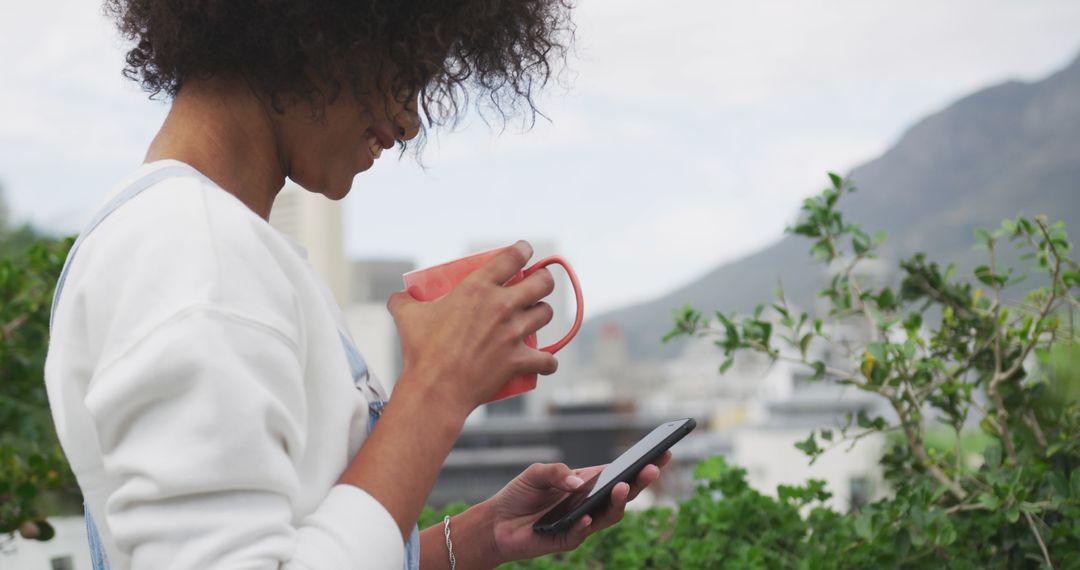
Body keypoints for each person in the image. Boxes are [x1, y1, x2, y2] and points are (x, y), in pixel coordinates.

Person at [44, 1, 670, 568]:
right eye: (406, 74)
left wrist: (476, 539)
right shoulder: (194, 254)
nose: (407, 124)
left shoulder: (198, 240)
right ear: (315, 34)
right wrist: (439, 385)